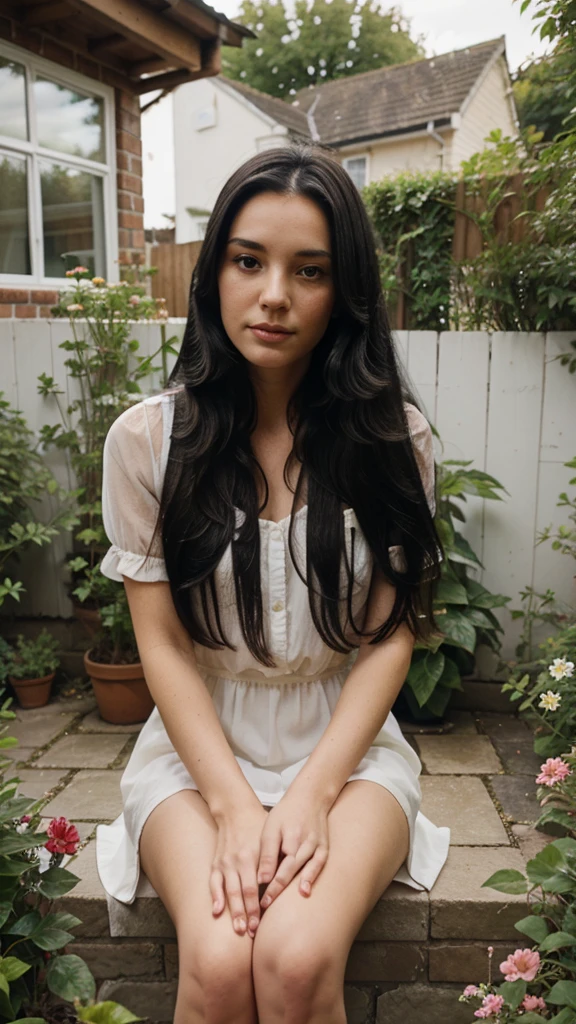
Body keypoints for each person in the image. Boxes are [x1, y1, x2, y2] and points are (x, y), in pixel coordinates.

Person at [96, 141, 450, 1024]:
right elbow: (162, 643)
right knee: (219, 961)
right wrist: (229, 803)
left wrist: (312, 793)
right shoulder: (146, 443)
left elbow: (388, 637)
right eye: (248, 261)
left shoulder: (392, 441)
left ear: (346, 293)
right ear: (213, 270)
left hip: (348, 749)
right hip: (195, 746)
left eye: (311, 270)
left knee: (292, 960)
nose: (275, 295)